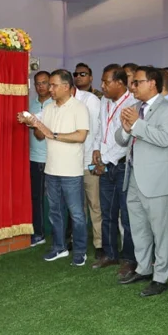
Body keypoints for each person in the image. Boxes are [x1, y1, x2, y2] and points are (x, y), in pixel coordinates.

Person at [115, 66, 168, 297]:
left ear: (152, 83)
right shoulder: (134, 108)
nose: (133, 87)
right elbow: (121, 139)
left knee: (161, 232)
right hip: (133, 177)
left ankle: (160, 277)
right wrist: (125, 128)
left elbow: (164, 138)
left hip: (157, 180)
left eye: (137, 82)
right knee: (138, 228)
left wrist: (137, 125)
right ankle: (143, 268)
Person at [23, 69, 90, 266]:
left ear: (66, 87)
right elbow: (41, 135)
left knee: (76, 214)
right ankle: (59, 247)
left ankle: (80, 251)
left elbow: (81, 136)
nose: (49, 89)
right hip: (51, 169)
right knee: (55, 212)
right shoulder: (49, 108)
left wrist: (54, 135)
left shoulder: (79, 108)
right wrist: (33, 123)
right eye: (49, 85)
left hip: (71, 171)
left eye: (53, 85)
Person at [91, 65, 137, 277]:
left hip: (122, 166)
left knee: (126, 216)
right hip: (106, 164)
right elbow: (100, 129)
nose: (102, 86)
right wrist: (96, 150)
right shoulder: (104, 101)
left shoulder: (132, 104)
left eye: (106, 82)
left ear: (120, 83)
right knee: (107, 212)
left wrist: (105, 159)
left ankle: (130, 259)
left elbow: (126, 139)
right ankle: (110, 254)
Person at [72, 85, 104, 259]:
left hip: (89, 162)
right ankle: (79, 243)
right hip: (71, 165)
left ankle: (99, 244)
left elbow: (98, 128)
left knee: (95, 205)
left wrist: (97, 153)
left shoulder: (90, 100)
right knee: (77, 207)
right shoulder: (59, 104)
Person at [28, 71, 53, 247]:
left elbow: (41, 134)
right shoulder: (31, 104)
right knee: (36, 198)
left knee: (55, 199)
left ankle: (61, 235)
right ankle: (39, 233)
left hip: (52, 158)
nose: (40, 86)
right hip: (34, 157)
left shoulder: (56, 104)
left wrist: (36, 124)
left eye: (44, 82)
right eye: (37, 83)